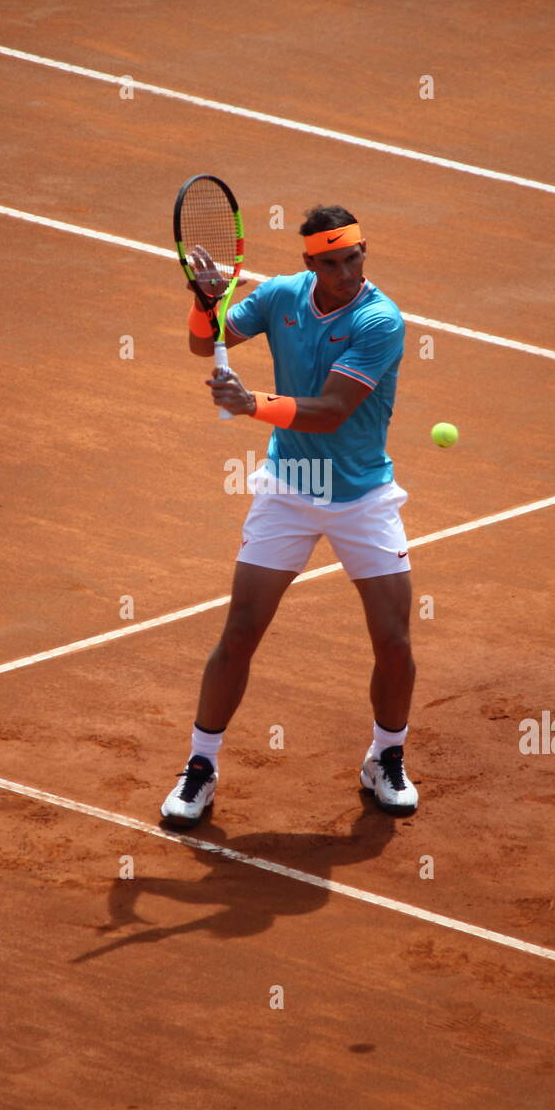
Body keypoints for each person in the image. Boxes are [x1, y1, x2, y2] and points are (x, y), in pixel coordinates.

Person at [161, 205, 417, 826]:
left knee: (393, 641)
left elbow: (332, 409)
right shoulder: (279, 296)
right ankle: (200, 766)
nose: (345, 272)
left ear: (363, 252)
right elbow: (204, 343)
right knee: (242, 630)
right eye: (329, 263)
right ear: (309, 263)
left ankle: (385, 755)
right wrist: (207, 301)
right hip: (289, 486)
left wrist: (252, 405)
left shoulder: (380, 320)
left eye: (353, 257)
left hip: (362, 496)